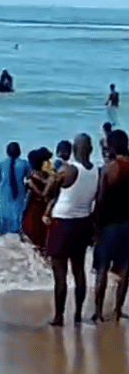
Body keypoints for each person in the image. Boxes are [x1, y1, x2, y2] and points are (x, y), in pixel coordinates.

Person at [43, 133, 98, 326]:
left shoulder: (68, 170)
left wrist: (53, 179)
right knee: (79, 271)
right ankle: (78, 314)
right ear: (90, 150)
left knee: (60, 275)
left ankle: (59, 316)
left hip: (62, 223)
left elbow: (47, 192)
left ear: (74, 149)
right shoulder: (97, 172)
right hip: (83, 223)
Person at [92, 129, 129, 322]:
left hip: (109, 225)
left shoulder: (108, 169)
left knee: (102, 269)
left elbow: (100, 200)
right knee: (124, 270)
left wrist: (95, 226)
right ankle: (117, 310)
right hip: (127, 223)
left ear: (112, 146)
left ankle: (98, 312)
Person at [21, 148, 53, 254]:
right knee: (42, 236)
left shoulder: (32, 176)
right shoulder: (48, 175)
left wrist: (32, 185)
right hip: (44, 207)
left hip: (34, 207)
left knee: (31, 236)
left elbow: (35, 194)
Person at [0, 142, 30, 235]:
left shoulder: (1, 164)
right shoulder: (24, 164)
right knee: (18, 219)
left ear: (7, 152)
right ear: (19, 152)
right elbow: (30, 178)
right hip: (19, 196)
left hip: (5, 196)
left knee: (3, 227)